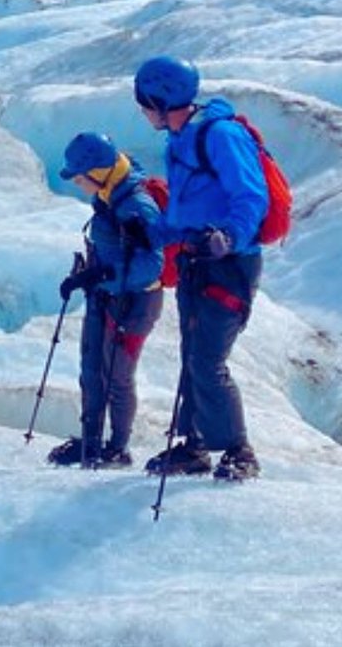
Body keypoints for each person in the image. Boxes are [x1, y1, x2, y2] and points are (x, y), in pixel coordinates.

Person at [133, 55, 265, 481]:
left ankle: (238, 451)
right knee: (193, 355)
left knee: (208, 359)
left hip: (229, 265)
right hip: (196, 261)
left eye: (144, 102)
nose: (142, 111)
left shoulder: (220, 136)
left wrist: (228, 237)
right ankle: (195, 446)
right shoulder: (180, 139)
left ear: (160, 98)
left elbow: (251, 197)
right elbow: (182, 214)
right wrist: (152, 236)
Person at [49, 132, 166, 469]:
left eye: (79, 177)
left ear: (97, 171)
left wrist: (103, 276)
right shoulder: (109, 195)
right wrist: (89, 274)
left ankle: (118, 448)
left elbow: (151, 264)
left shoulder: (135, 205)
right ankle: (91, 442)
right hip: (106, 297)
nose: (77, 183)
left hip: (134, 303)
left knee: (117, 375)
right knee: (92, 369)